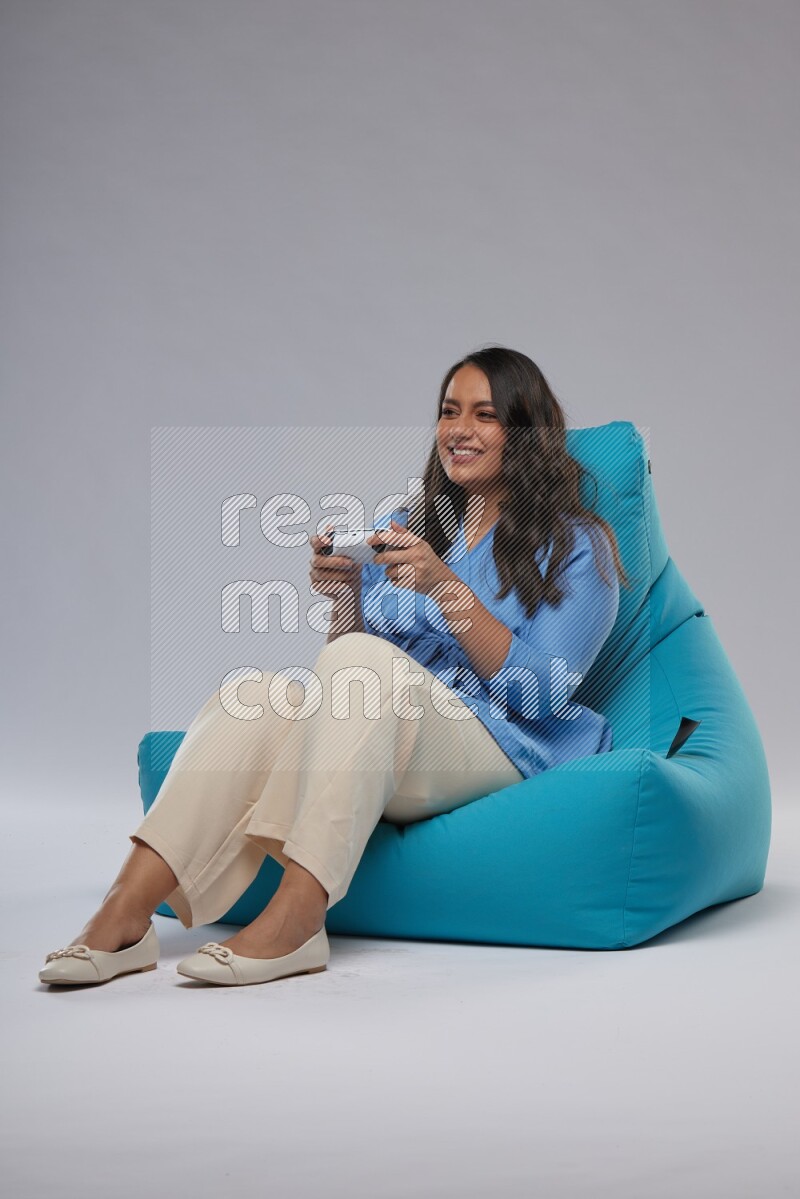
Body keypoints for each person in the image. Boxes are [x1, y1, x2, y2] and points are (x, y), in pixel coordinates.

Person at [38, 345, 629, 988]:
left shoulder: (578, 545)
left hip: (500, 744)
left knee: (364, 666)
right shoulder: (409, 525)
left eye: (484, 415)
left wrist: (444, 589)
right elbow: (348, 665)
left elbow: (542, 693)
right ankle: (123, 916)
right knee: (252, 696)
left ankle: (297, 919)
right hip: (391, 738)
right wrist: (344, 596)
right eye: (448, 411)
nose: (459, 430)